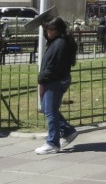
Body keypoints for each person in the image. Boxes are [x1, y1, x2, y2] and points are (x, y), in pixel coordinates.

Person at [34, 17, 79, 154]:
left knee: (51, 112)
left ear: (57, 30)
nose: (47, 32)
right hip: (54, 80)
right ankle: (68, 131)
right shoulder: (56, 41)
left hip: (55, 81)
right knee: (48, 109)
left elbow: (54, 66)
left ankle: (52, 143)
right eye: (46, 29)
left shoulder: (59, 44)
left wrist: (43, 78)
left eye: (50, 29)